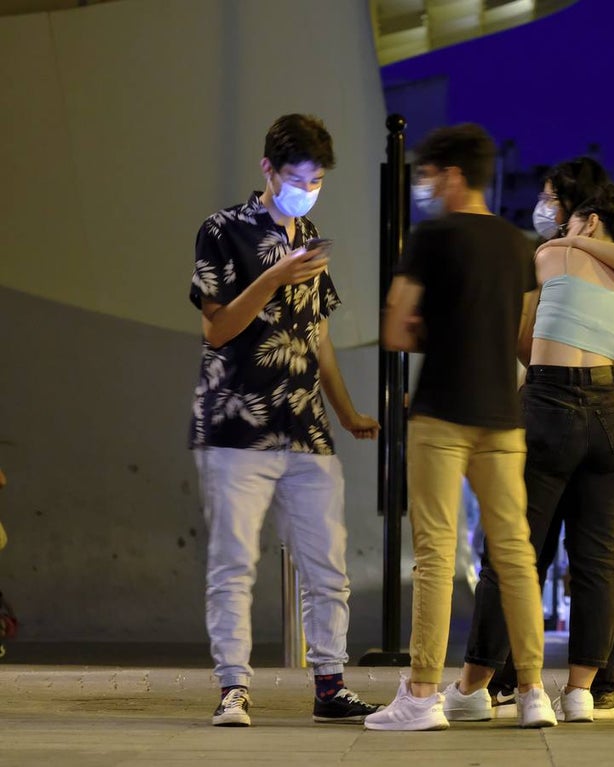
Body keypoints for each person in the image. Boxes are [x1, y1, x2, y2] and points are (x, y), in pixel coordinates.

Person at [188, 114, 381, 727]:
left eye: (318, 179)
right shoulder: (222, 230)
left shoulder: (312, 233)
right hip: (235, 424)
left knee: (327, 564)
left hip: (307, 425)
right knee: (234, 564)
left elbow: (317, 334)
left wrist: (346, 411)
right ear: (267, 170)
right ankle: (233, 688)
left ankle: (329, 684)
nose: (308, 190)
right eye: (298, 178)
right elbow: (216, 328)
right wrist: (272, 276)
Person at [370, 123, 555, 730]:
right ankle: (532, 694)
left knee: (435, 553)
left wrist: (434, 329)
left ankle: (422, 695)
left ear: (451, 174)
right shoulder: (518, 245)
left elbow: (395, 328)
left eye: (427, 175)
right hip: (502, 418)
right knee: (515, 555)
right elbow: (525, 340)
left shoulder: (430, 236)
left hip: (441, 413)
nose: (425, 186)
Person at [456, 176, 614, 724]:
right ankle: (581, 693)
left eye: (570, 220)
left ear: (590, 222)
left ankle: (475, 686)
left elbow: (524, 331)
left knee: (513, 552)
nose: (557, 225)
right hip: (612, 416)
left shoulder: (552, 254)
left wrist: (573, 240)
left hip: (548, 403)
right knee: (597, 561)